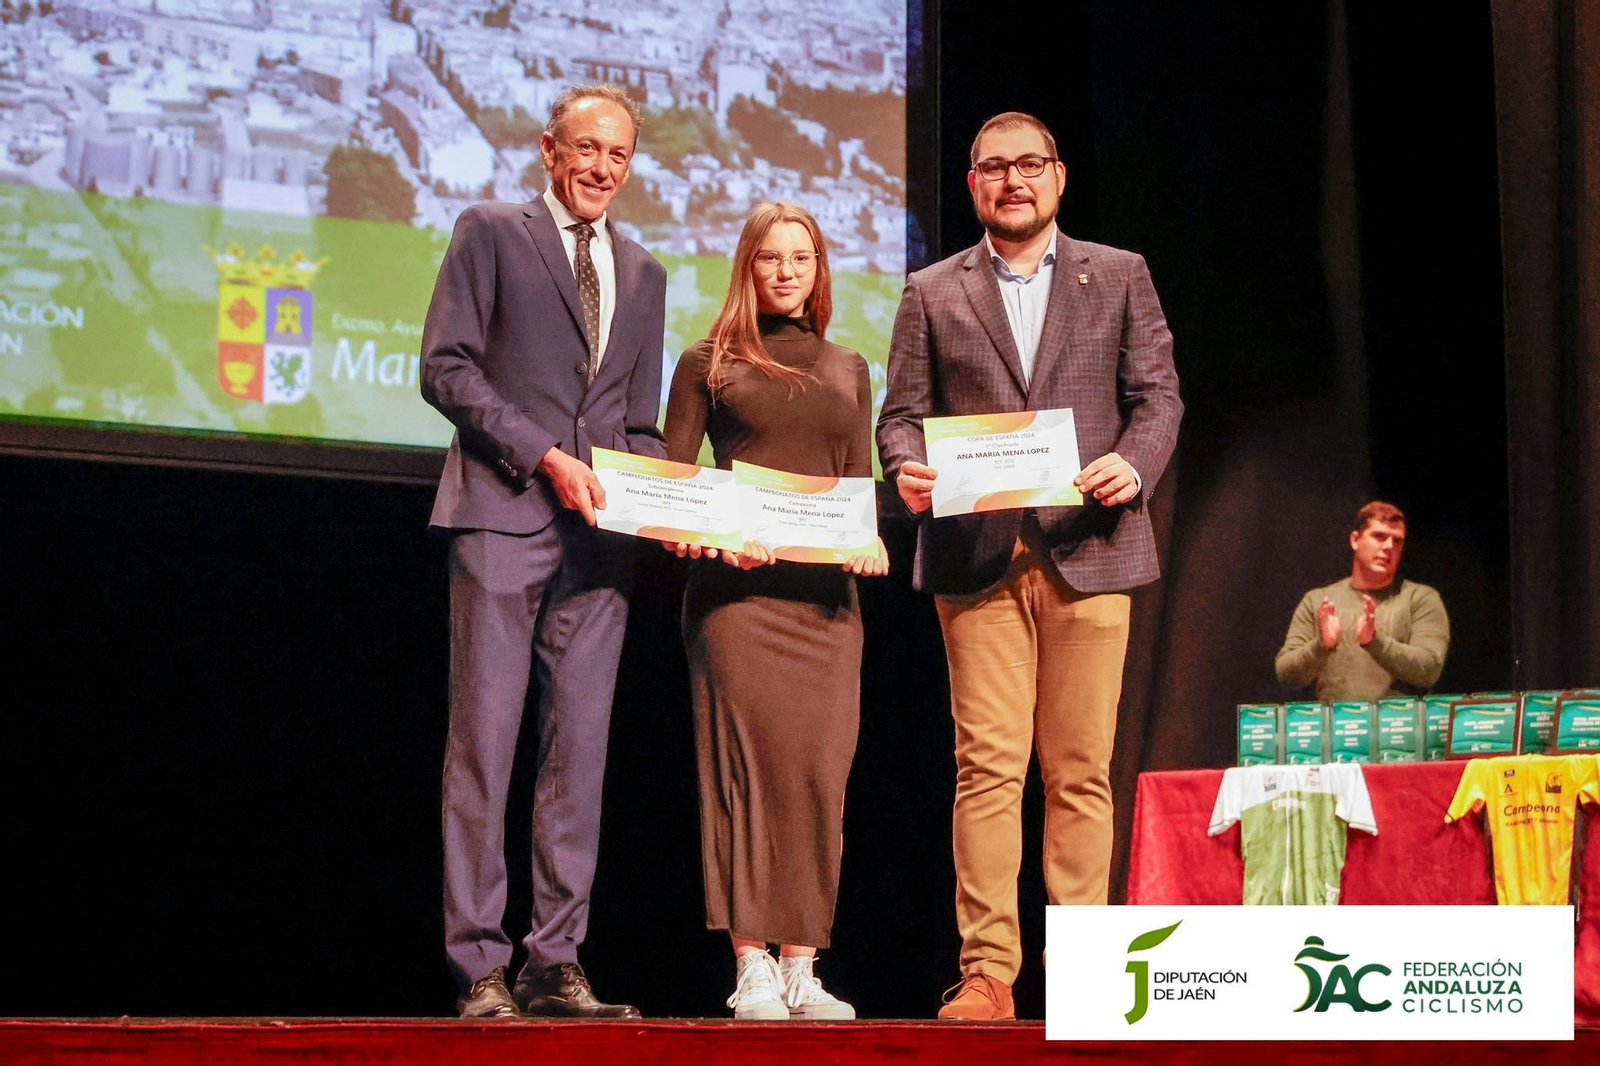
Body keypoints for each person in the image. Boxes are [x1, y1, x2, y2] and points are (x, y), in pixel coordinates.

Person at [876, 111, 1182, 1021]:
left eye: (1030, 165)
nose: (1013, 180)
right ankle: (989, 973)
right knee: (988, 768)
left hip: (1091, 545)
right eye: (994, 168)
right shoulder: (932, 290)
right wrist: (906, 468)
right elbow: (900, 417)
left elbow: (1157, 395)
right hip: (977, 558)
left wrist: (1135, 462)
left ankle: (1086, 968)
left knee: (1082, 768)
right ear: (972, 185)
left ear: (1058, 177)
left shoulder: (1119, 274)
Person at [419, 84, 666, 1020]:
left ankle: (553, 962)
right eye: (587, 149)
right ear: (550, 150)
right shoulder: (490, 229)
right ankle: (478, 964)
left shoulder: (643, 271)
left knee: (581, 753)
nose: (602, 168)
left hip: (598, 548)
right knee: (483, 746)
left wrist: (665, 501)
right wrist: (544, 455)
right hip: (501, 512)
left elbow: (637, 425)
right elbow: (445, 366)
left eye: (619, 156)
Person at [662, 202, 886, 1021]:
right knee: (743, 778)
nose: (787, 271)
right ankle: (750, 963)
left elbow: (859, 486)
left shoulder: (851, 367)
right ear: (747, 269)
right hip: (740, 604)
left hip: (827, 608)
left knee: (818, 782)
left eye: (802, 257)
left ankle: (804, 965)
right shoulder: (706, 362)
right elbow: (675, 488)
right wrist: (710, 536)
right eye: (770, 258)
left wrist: (869, 540)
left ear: (820, 269)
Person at [1275, 500, 1449, 700]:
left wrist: (1374, 641)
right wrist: (1320, 645)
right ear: (1355, 540)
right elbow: (1286, 675)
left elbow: (1429, 670)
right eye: (1379, 537)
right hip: (1336, 728)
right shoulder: (1318, 601)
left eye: (1397, 541)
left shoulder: (1420, 598)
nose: (1388, 547)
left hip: (1397, 727)